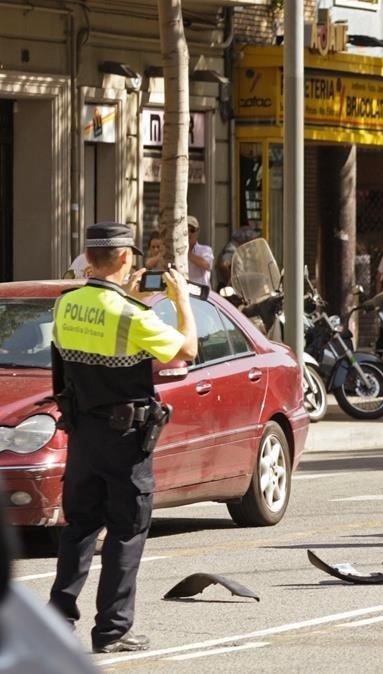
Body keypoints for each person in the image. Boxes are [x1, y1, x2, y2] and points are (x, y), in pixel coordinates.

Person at [48, 222, 198, 653]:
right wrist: (182, 301)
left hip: (82, 433)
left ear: (90, 258)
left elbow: (74, 359)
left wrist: (130, 298)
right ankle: (113, 629)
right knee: (126, 530)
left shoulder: (66, 304)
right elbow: (186, 350)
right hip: (125, 438)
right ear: (126, 258)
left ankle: (58, 623)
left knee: (78, 527)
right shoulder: (132, 315)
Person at [185, 216, 214, 286]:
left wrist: (186, 253)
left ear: (197, 231)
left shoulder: (205, 250)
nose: (189, 234)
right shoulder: (176, 252)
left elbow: (207, 265)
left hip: (200, 294)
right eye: (185, 230)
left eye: (191, 230)